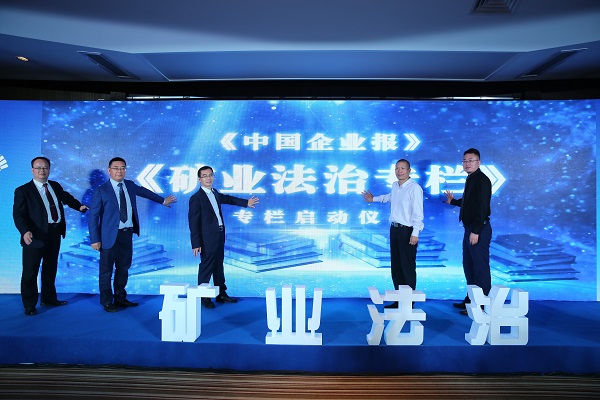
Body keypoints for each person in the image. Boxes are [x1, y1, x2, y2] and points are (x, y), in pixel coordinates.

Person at [88, 157, 177, 313]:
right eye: (116, 168)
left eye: (123, 168)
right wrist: (95, 239)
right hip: (108, 236)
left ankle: (120, 298)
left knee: (123, 268)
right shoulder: (101, 190)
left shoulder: (129, 185)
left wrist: (163, 201)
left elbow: (145, 192)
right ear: (109, 170)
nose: (120, 171)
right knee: (106, 270)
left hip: (126, 234)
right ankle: (107, 301)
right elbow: (93, 217)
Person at [13, 156, 89, 316]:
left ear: (49, 169)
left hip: (54, 233)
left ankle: (48, 298)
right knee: (30, 271)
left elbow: (67, 198)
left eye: (45, 167)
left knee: (50, 268)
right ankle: (29, 305)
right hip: (34, 236)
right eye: (38, 167)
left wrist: (79, 206)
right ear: (32, 170)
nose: (42, 170)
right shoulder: (23, 190)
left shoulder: (54, 185)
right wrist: (25, 231)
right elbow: (19, 215)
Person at [188, 166, 259, 309]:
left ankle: (221, 293)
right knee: (206, 266)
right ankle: (204, 296)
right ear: (199, 179)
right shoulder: (196, 198)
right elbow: (193, 223)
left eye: (210, 175)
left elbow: (228, 199)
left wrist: (245, 203)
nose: (208, 178)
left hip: (219, 235)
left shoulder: (214, 193)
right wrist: (196, 243)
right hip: (207, 239)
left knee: (218, 265)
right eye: (205, 176)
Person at [361, 159, 424, 308]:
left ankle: (408, 302)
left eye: (402, 168)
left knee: (407, 267)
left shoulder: (414, 188)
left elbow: (418, 213)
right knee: (396, 266)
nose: (399, 171)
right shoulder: (395, 185)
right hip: (394, 229)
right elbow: (389, 197)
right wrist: (373, 199)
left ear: (409, 171)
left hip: (407, 231)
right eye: (397, 168)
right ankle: (398, 299)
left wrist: (415, 233)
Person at [444, 148, 492, 315]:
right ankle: (471, 299)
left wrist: (477, 231)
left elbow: (482, 207)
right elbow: (469, 203)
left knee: (480, 267)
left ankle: (481, 305)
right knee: (469, 266)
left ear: (479, 162)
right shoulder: (471, 179)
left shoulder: (482, 180)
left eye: (471, 160)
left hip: (478, 229)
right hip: (470, 229)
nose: (467, 163)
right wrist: (453, 202)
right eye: (464, 160)